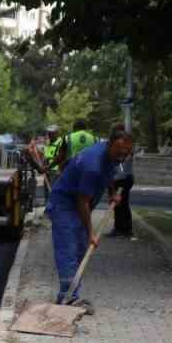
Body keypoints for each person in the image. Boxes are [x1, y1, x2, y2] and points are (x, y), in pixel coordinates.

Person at [46, 127, 134, 310]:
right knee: (69, 250)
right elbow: (82, 203)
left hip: (77, 206)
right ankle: (67, 297)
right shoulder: (92, 165)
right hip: (64, 205)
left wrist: (112, 193)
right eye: (119, 152)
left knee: (79, 250)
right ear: (109, 144)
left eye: (126, 153)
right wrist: (91, 233)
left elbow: (109, 173)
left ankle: (71, 294)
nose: (122, 157)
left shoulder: (110, 156)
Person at [108, 123, 136, 240]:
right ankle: (120, 228)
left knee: (121, 204)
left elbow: (121, 161)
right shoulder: (124, 144)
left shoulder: (125, 145)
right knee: (119, 205)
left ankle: (125, 229)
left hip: (122, 178)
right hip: (122, 177)